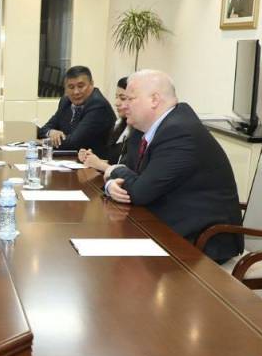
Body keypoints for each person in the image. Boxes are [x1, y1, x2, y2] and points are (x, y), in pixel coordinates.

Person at [96, 69, 243, 263]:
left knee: (116, 263)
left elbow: (139, 191)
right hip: (162, 223)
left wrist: (113, 171)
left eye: (130, 99)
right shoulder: (143, 128)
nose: (123, 105)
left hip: (200, 239)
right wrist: (110, 184)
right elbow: (129, 173)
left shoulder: (180, 132)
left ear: (154, 100)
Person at [37, 65, 115, 156]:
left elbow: (74, 143)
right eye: (71, 87)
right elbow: (44, 129)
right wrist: (51, 132)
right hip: (71, 158)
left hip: (94, 161)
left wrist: (44, 142)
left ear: (91, 84)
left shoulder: (98, 105)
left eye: (80, 86)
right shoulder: (66, 101)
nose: (76, 92)